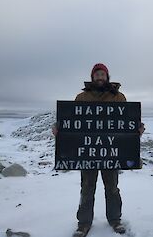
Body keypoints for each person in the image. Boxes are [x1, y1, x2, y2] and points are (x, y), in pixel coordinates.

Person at [52, 63, 145, 237]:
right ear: (93, 77)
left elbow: (126, 121)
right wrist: (59, 128)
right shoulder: (81, 97)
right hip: (88, 153)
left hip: (111, 152)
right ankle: (84, 223)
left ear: (107, 76)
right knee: (87, 187)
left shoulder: (119, 97)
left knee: (112, 188)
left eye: (102, 74)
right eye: (97, 74)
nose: (100, 77)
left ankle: (115, 220)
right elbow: (72, 120)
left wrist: (137, 129)